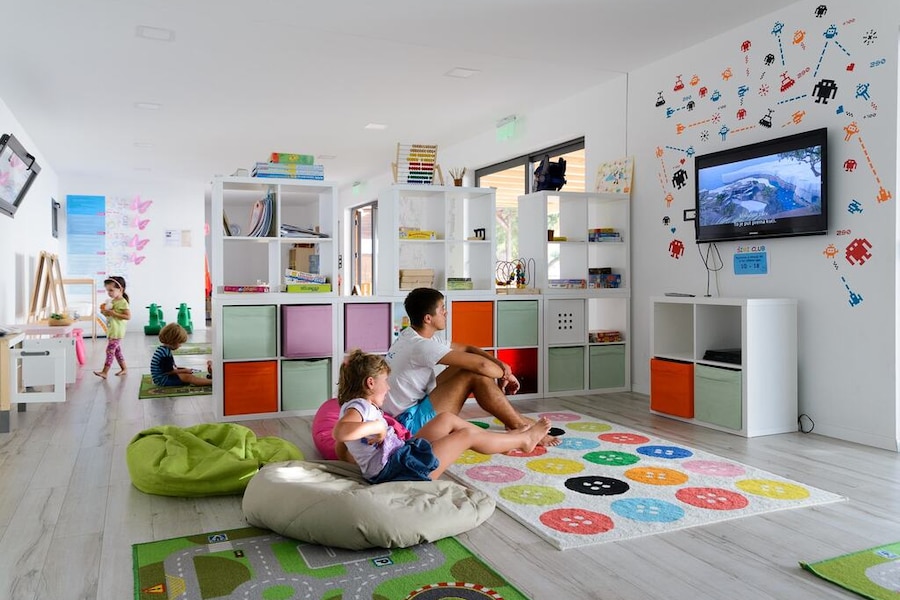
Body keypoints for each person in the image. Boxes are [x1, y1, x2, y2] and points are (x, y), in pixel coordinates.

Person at [333, 349, 551, 483]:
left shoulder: (360, 406)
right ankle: (524, 440)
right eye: (385, 382)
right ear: (370, 383)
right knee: (465, 436)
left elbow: (342, 446)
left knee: (446, 419)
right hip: (400, 471)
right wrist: (378, 428)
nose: (388, 388)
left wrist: (361, 461)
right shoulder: (359, 407)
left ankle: (501, 441)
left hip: (400, 456)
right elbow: (340, 432)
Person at [383, 287, 558, 446]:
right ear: (428, 318)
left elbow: (468, 349)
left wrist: (501, 365)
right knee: (473, 373)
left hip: (411, 410)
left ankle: (513, 421)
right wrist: (507, 374)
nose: (446, 312)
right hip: (409, 426)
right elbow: (482, 366)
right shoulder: (421, 346)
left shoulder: (412, 336)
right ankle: (519, 426)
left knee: (466, 367)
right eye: (442, 309)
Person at [93, 276, 131, 379]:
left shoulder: (123, 302)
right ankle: (124, 369)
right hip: (112, 330)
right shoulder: (113, 301)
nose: (109, 293)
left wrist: (113, 313)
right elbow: (111, 315)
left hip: (117, 331)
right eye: (107, 290)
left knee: (109, 351)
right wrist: (105, 312)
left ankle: (104, 372)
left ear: (121, 289)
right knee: (117, 351)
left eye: (111, 290)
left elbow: (128, 316)